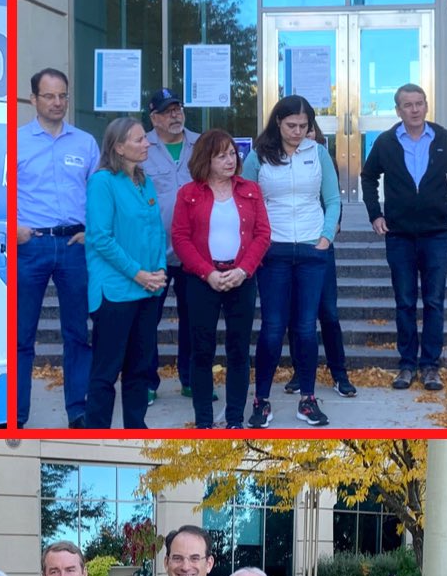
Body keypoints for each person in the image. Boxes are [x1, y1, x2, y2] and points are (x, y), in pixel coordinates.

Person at [360, 84, 447, 392]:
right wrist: (374, 214)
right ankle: (407, 364)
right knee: (405, 302)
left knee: (434, 302)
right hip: (400, 236)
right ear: (398, 110)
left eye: (419, 103)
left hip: (436, 234)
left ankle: (431, 366)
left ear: (426, 106)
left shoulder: (442, 138)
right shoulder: (386, 142)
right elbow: (369, 177)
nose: (415, 109)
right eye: (408, 105)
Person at [242, 96, 341, 428]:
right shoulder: (258, 156)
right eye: (291, 126)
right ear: (278, 123)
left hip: (313, 249)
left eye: (304, 126)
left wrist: (326, 236)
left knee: (305, 327)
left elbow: (331, 198)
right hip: (274, 250)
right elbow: (247, 201)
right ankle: (262, 400)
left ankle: (307, 399)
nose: (298, 132)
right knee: (272, 328)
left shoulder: (319, 154)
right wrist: (257, 243)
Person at [172, 128, 271, 428]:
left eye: (232, 153)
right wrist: (209, 273)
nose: (230, 160)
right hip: (203, 280)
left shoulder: (250, 189)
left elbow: (263, 234)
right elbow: (180, 238)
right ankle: (203, 421)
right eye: (221, 155)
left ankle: (234, 421)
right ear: (205, 159)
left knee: (239, 351)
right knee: (201, 350)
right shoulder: (188, 194)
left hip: (241, 278)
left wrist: (243, 270)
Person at [16, 68, 99, 428]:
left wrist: (91, 231)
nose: (57, 103)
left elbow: (99, 194)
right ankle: (16, 414)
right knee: (21, 336)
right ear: (33, 99)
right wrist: (11, 227)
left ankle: (77, 411)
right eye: (49, 96)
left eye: (63, 95)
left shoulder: (85, 143)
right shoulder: (15, 142)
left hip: (73, 245)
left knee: (77, 333)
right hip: (30, 246)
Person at [83, 116, 168, 429]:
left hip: (147, 288)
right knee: (106, 372)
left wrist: (158, 270)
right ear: (118, 147)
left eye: (145, 139)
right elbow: (100, 238)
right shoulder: (102, 182)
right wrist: (138, 273)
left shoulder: (143, 180)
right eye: (138, 140)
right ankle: (96, 432)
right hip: (116, 290)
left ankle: (136, 428)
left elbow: (157, 229)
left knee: (139, 369)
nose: (147, 143)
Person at [280, 112, 354, 401]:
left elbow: (333, 201)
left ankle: (340, 373)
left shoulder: (322, 159)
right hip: (289, 246)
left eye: (308, 131)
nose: (302, 137)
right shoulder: (279, 160)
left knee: (328, 313)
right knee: (295, 315)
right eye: (296, 129)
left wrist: (328, 235)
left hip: (319, 246)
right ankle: (301, 371)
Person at [143, 88, 200, 404]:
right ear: (154, 118)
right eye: (167, 111)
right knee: (149, 319)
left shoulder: (201, 144)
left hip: (193, 250)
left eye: (177, 108)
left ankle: (191, 379)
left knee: (194, 318)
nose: (175, 115)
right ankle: (149, 382)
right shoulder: (141, 145)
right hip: (154, 250)